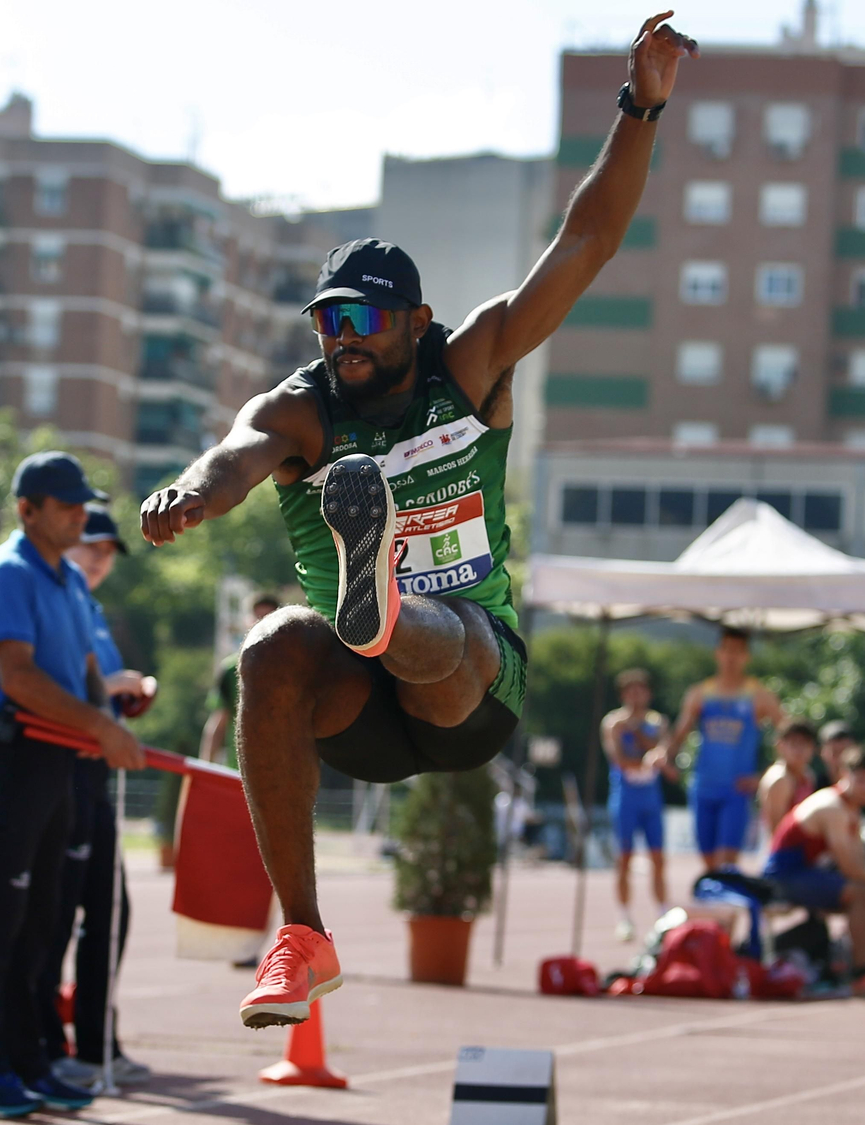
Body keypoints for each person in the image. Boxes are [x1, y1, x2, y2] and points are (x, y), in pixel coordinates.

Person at [138, 13, 699, 1029]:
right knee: (267, 653)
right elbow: (234, 456)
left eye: (362, 319)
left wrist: (640, 105)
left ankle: (381, 605)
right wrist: (191, 494)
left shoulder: (472, 362)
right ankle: (301, 940)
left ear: (412, 320)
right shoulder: (299, 409)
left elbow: (586, 241)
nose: (342, 338)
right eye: (326, 321)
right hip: (359, 713)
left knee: (427, 635)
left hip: (468, 685)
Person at [0, 452, 144, 1119]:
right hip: (16, 756)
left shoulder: (68, 578)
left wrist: (111, 723)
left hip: (64, 763)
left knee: (44, 922)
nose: (80, 514)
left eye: (82, 503)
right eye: (66, 505)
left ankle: (29, 1060)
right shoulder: (9, 573)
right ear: (26, 509)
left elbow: (87, 669)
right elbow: (19, 677)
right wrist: (99, 721)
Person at [40, 507, 156, 1088]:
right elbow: (44, 682)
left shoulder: (92, 609)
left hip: (94, 773)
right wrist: (111, 688)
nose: (100, 559)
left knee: (111, 911)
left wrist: (128, 695)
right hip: (56, 771)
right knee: (54, 912)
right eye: (92, 546)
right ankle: (45, 1040)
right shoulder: (54, 597)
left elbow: (98, 694)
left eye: (109, 551)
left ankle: (95, 1042)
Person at [762, 749, 865, 996]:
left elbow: (861, 864)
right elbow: (850, 869)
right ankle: (861, 973)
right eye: (862, 780)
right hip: (782, 878)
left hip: (807, 873)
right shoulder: (833, 808)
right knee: (862, 894)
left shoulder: (851, 809)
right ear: (844, 775)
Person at [664, 627, 780, 871]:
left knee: (727, 863)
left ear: (747, 656)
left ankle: (726, 902)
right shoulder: (699, 693)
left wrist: (764, 777)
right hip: (703, 786)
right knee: (707, 862)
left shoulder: (759, 695)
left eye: (737, 651)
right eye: (727, 650)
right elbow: (678, 736)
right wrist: (662, 756)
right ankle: (715, 903)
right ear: (717, 653)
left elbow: (790, 736)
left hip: (736, 790)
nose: (731, 657)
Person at [602, 668, 671, 941]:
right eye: (630, 691)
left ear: (649, 693)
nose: (636, 696)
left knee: (658, 858)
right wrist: (647, 756)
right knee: (624, 858)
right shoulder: (613, 722)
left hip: (650, 798)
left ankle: (663, 914)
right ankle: (624, 918)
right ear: (623, 695)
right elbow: (618, 757)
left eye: (640, 690)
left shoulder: (657, 721)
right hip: (625, 797)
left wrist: (649, 746)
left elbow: (662, 750)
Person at [200, 593, 283, 768]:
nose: (262, 624)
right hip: (240, 772)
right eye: (258, 618)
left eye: (269, 618)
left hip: (284, 768)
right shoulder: (231, 669)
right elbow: (219, 721)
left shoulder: (295, 669)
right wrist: (205, 767)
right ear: (248, 620)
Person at [757, 720, 819, 838]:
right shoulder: (779, 779)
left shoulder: (808, 774)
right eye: (794, 744)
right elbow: (775, 831)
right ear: (780, 745)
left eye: (805, 744)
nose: (799, 750)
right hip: (782, 851)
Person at [813, 720, 857, 790]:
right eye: (835, 753)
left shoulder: (861, 788)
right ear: (821, 752)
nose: (841, 759)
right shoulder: (811, 786)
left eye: (845, 753)